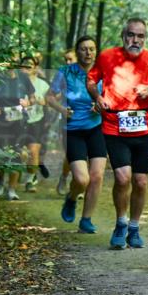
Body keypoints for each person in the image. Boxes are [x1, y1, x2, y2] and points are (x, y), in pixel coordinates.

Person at [87, 18, 148, 250]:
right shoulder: (107, 56)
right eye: (131, 35)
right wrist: (98, 98)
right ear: (123, 35)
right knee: (122, 178)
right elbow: (91, 80)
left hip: (143, 126)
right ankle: (121, 223)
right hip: (114, 125)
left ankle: (134, 227)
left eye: (140, 36)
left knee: (141, 181)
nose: (135, 40)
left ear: (145, 38)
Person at [48, 37, 106, 233]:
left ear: (96, 51)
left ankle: (86, 220)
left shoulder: (103, 72)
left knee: (97, 176)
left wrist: (100, 106)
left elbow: (111, 97)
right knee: (82, 179)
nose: (88, 53)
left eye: (91, 49)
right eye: (83, 49)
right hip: (72, 130)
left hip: (96, 128)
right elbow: (49, 97)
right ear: (77, 51)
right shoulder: (65, 72)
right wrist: (62, 110)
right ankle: (72, 198)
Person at [0, 57, 35, 200]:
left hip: (19, 120)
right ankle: (0, 181)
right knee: (1, 151)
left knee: (17, 152)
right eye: (8, 61)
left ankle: (12, 189)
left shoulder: (23, 77)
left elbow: (33, 98)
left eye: (14, 61)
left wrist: (28, 102)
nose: (10, 65)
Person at [22, 52, 50, 192]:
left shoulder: (43, 85)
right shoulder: (15, 82)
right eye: (24, 65)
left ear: (35, 68)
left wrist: (42, 101)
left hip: (36, 120)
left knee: (33, 151)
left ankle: (30, 179)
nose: (27, 68)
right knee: (21, 152)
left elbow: (50, 101)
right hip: (17, 121)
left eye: (30, 65)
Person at [57, 48, 77, 195]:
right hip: (67, 120)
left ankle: (77, 184)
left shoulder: (90, 74)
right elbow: (53, 95)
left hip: (88, 119)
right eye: (66, 59)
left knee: (86, 155)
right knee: (72, 154)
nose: (68, 62)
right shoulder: (62, 74)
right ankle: (64, 176)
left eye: (71, 59)